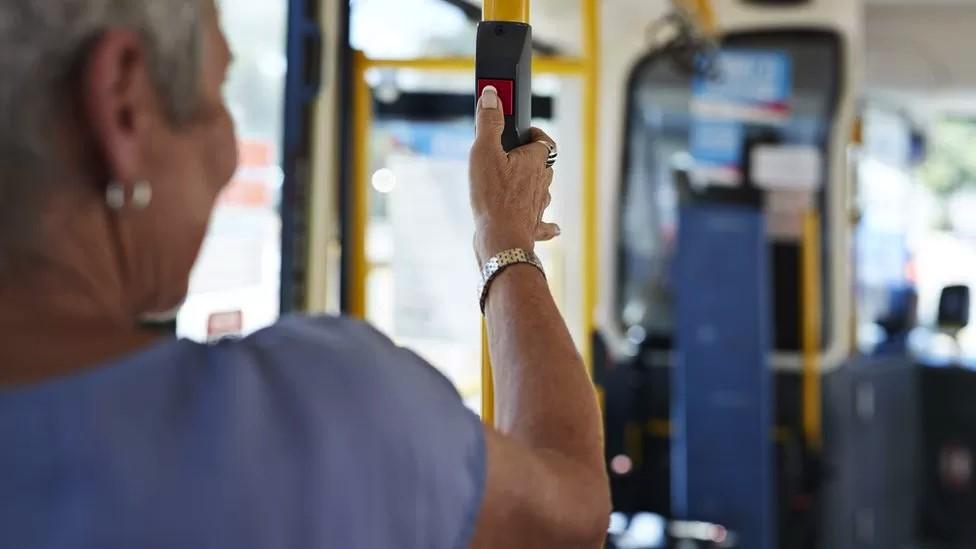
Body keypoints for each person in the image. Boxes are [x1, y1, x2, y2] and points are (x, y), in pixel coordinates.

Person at [0, 1, 610, 548]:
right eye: (218, 96)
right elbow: (571, 512)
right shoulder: (316, 421)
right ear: (122, 100)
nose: (229, 156)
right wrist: (505, 241)